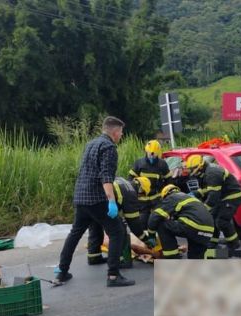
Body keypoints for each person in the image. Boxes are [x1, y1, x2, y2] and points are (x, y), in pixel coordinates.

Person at [56, 116, 135, 287]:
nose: (121, 135)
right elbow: (106, 176)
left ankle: (61, 272)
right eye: (121, 132)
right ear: (114, 132)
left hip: (80, 196)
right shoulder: (109, 147)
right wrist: (111, 201)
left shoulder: (91, 143)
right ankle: (113, 276)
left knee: (75, 233)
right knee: (117, 231)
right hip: (96, 198)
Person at [184, 154, 241, 257]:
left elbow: (213, 198)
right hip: (222, 196)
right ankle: (212, 243)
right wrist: (197, 193)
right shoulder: (205, 172)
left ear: (200, 166)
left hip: (232, 196)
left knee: (222, 221)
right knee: (212, 219)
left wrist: (203, 210)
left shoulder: (212, 173)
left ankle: (234, 245)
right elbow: (209, 189)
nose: (192, 171)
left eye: (192, 169)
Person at [86, 176, 153, 267]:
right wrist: (146, 239)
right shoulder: (131, 192)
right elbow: (134, 224)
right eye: (142, 194)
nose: (140, 197)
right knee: (120, 230)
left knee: (95, 227)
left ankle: (94, 256)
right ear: (141, 188)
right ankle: (121, 261)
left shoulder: (122, 181)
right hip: (104, 205)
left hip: (88, 201)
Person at [146, 184, 214, 259]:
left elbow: (155, 216)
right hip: (208, 230)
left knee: (162, 223)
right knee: (195, 258)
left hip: (192, 225)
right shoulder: (189, 198)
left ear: (166, 195)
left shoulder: (172, 197)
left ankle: (172, 256)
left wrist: (151, 235)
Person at [129, 140, 171, 226]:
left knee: (158, 221)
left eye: (154, 153)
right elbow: (130, 179)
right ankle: (146, 238)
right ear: (146, 151)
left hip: (157, 198)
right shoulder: (139, 163)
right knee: (143, 221)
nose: (152, 155)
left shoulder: (162, 164)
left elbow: (169, 181)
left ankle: (158, 237)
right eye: (150, 153)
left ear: (158, 153)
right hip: (142, 199)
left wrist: (167, 195)